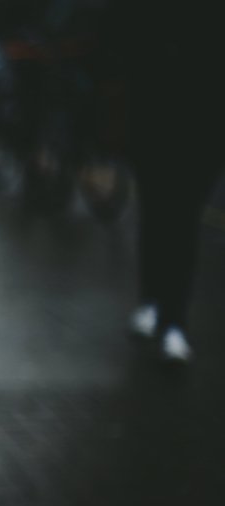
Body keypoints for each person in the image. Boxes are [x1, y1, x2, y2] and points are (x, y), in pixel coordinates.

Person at [102, 0, 225, 362]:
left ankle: (166, 314)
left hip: (194, 124)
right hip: (156, 121)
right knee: (163, 216)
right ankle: (161, 310)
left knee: (174, 219)